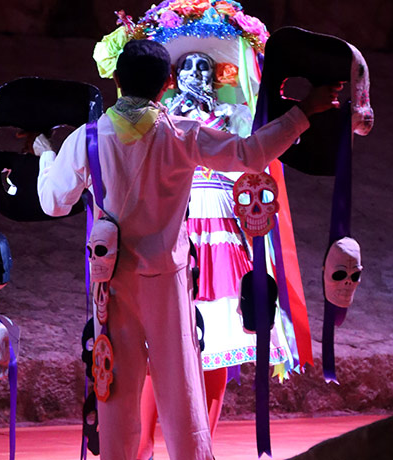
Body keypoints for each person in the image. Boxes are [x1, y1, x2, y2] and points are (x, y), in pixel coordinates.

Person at [37, 39, 340, 460]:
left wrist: (45, 157)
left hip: (114, 281)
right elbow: (250, 155)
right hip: (168, 276)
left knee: (116, 384)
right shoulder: (181, 133)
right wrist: (304, 111)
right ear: (167, 85)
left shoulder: (87, 140)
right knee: (181, 382)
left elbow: (54, 203)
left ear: (118, 81)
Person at [135, 51, 298, 460]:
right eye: (187, 67)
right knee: (160, 347)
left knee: (219, 342)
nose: (195, 74)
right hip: (179, 225)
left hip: (224, 228)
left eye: (204, 68)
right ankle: (141, 445)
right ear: (173, 76)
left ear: (216, 76)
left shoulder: (233, 116)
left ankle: (201, 445)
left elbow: (258, 158)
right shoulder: (163, 119)